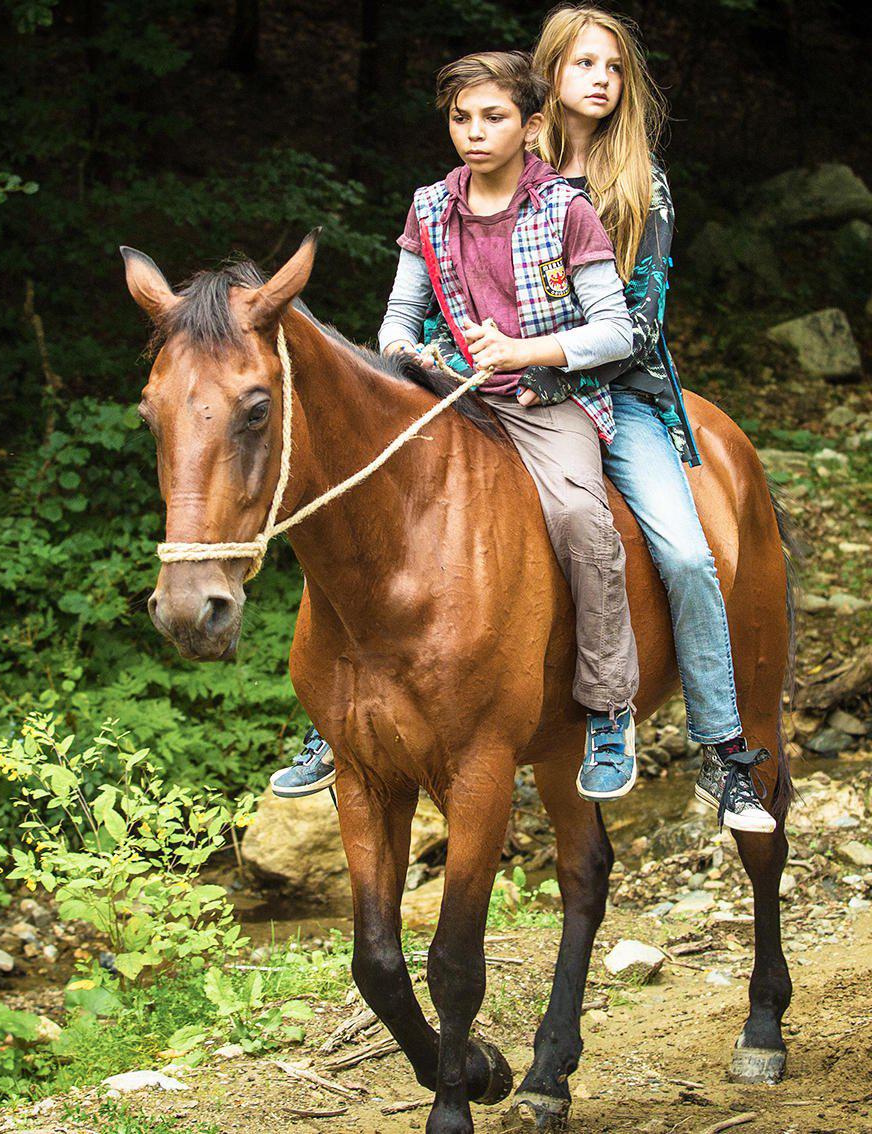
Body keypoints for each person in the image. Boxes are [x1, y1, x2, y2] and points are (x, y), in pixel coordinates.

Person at [271, 49, 643, 802]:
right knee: (355, 517)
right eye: (460, 118)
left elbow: (615, 331)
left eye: (493, 118)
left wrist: (523, 349)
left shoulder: (564, 210)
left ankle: (607, 708)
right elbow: (398, 316)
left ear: (531, 125)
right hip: (451, 396)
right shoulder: (430, 206)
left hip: (543, 402)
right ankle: (333, 717)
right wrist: (403, 351)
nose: (474, 133)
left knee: (579, 518)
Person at [519, 6, 773, 833]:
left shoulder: (643, 181)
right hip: (506, 391)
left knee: (688, 554)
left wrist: (551, 367)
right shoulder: (507, 163)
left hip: (618, 395)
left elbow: (640, 319)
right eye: (583, 62)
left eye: (614, 66)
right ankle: (339, 724)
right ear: (551, 71)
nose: (599, 78)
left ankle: (721, 751)